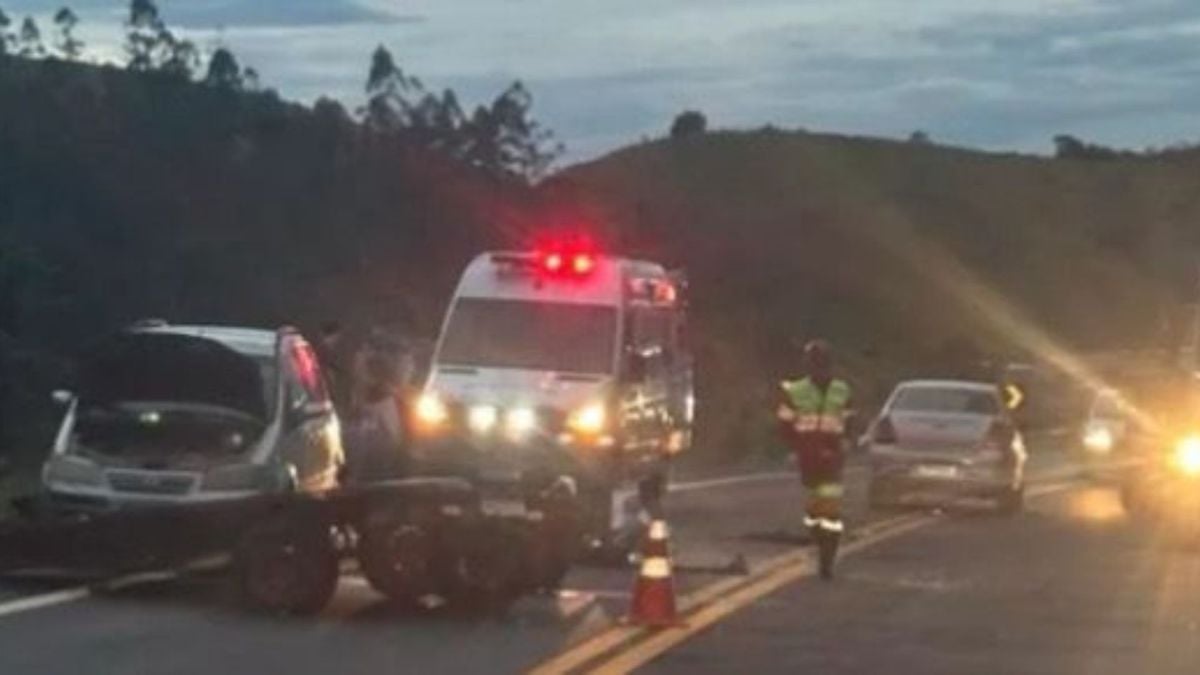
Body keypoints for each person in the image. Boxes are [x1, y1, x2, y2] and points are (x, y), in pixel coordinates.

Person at [776, 339, 854, 580]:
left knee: (829, 509)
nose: (818, 368)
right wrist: (791, 447)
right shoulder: (795, 391)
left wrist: (847, 441)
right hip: (808, 456)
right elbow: (784, 423)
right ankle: (819, 539)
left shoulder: (842, 390)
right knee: (814, 510)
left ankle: (826, 559)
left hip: (832, 457)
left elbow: (851, 420)